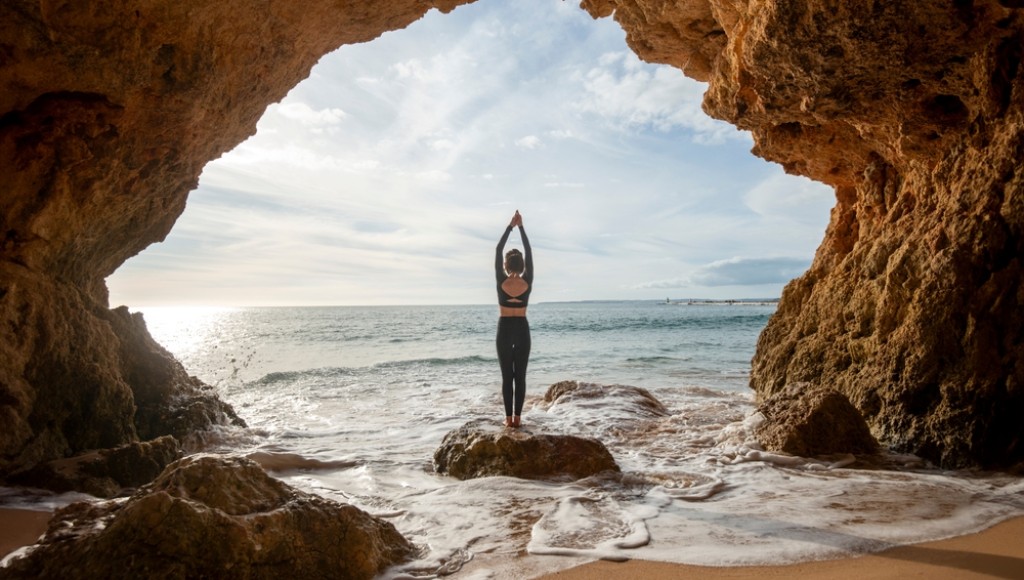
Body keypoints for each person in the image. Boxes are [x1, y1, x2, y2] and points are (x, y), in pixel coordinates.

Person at [495, 210, 533, 428]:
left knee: (506, 376)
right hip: (522, 328)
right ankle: (518, 418)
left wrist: (511, 226)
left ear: (506, 266)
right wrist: (521, 227)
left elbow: (498, 249)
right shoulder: (528, 280)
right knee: (520, 376)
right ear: (522, 266)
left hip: (504, 328)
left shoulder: (501, 280)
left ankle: (508, 419)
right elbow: (528, 250)